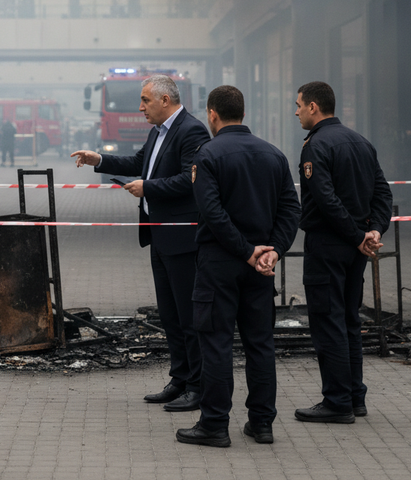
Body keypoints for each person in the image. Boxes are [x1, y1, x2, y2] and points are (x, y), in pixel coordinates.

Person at [71, 74, 210, 412]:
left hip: (181, 238)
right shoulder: (158, 132)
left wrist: (148, 188)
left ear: (165, 100)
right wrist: (99, 160)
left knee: (189, 316)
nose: (140, 107)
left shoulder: (191, 131)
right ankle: (179, 378)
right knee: (170, 314)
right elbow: (138, 163)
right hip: (159, 236)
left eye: (146, 100)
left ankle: (198, 385)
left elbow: (188, 181)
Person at [175, 86, 301, 447]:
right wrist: (272, 251)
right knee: (260, 344)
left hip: (220, 264)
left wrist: (246, 251)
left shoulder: (208, 155)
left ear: (212, 114)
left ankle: (214, 425)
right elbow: (291, 209)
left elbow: (212, 214)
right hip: (261, 268)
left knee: (216, 344)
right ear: (242, 113)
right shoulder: (274, 155)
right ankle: (262, 424)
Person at [293, 81, 393, 424]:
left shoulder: (316, 146)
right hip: (356, 249)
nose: (296, 112)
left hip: (329, 245)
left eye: (299, 105)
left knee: (328, 321)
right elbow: (382, 194)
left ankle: (336, 402)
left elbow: (324, 199)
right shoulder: (361, 142)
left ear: (314, 107)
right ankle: (354, 396)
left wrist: (356, 236)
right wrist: (373, 232)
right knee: (350, 319)